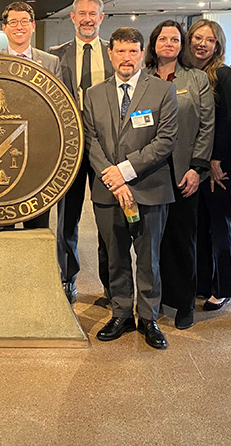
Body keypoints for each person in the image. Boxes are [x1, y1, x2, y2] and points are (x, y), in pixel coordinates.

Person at [84, 27, 177, 349]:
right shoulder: (93, 94)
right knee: (115, 256)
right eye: (120, 51)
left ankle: (148, 317)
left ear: (142, 54)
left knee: (149, 257)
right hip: (107, 191)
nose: (127, 58)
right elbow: (89, 140)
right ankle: (121, 313)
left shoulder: (163, 91)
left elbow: (165, 141)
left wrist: (124, 171)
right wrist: (111, 177)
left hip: (149, 188)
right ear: (110, 54)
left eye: (133, 51)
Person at [145, 21, 214, 329]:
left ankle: (184, 302)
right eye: (164, 38)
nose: (169, 43)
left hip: (183, 170)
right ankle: (154, 297)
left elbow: (206, 125)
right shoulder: (141, 77)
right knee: (152, 240)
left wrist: (197, 168)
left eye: (175, 39)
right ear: (154, 43)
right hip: (148, 170)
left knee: (182, 237)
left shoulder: (196, 78)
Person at [49, 0, 114, 303]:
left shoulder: (114, 54)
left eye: (93, 13)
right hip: (70, 147)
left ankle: (112, 286)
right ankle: (67, 278)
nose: (87, 18)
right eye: (82, 13)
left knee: (108, 219)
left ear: (102, 18)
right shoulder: (54, 56)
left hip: (106, 147)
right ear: (72, 17)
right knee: (68, 219)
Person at [187, 19, 231, 312]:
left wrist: (216, 160)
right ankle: (203, 283)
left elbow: (227, 120)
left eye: (209, 39)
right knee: (200, 224)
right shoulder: (190, 75)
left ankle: (223, 286)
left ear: (218, 44)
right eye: (197, 37)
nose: (202, 43)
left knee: (220, 223)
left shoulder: (224, 74)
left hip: (217, 163)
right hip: (197, 161)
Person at [0, 1, 63, 230]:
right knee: (2, 222)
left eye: (24, 21)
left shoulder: (51, 62)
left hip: (38, 153)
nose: (19, 26)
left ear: (33, 26)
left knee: (37, 225)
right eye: (13, 22)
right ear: (4, 28)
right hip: (4, 146)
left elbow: (59, 107)